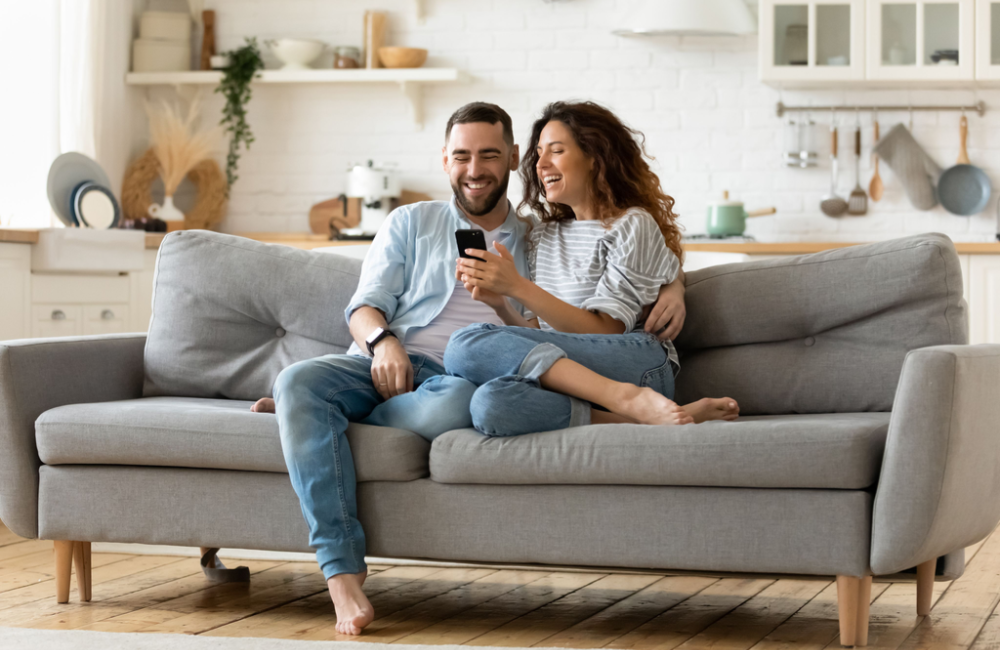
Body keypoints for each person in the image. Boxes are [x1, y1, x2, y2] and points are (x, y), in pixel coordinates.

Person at [253, 102, 688, 636]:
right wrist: (382, 340)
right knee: (296, 379)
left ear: (511, 159)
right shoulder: (412, 221)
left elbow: (613, 262)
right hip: (385, 363)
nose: (474, 169)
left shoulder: (538, 234)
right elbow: (363, 306)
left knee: (460, 400)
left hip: (456, 379)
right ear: (444, 161)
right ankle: (341, 572)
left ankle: (313, 420)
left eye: (488, 155)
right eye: (461, 156)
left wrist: (675, 285)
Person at [445, 101, 739, 436]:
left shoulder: (631, 225)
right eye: (539, 153)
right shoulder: (543, 235)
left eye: (556, 150)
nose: (540, 164)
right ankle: (641, 417)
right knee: (490, 405)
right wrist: (500, 304)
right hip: (573, 372)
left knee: (463, 344)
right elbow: (541, 337)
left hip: (635, 363)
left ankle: (628, 397)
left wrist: (518, 287)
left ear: (595, 157)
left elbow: (606, 331)